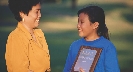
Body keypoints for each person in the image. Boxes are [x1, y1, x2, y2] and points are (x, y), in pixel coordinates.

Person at [63, 6, 120, 72]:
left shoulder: (108, 48)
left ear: (95, 25)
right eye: (78, 22)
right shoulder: (74, 46)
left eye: (82, 22)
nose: (78, 25)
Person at [5, 0, 51, 72]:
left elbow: (46, 66)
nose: (40, 15)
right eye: (36, 12)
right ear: (22, 13)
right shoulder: (16, 38)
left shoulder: (39, 34)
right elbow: (19, 69)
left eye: (40, 11)